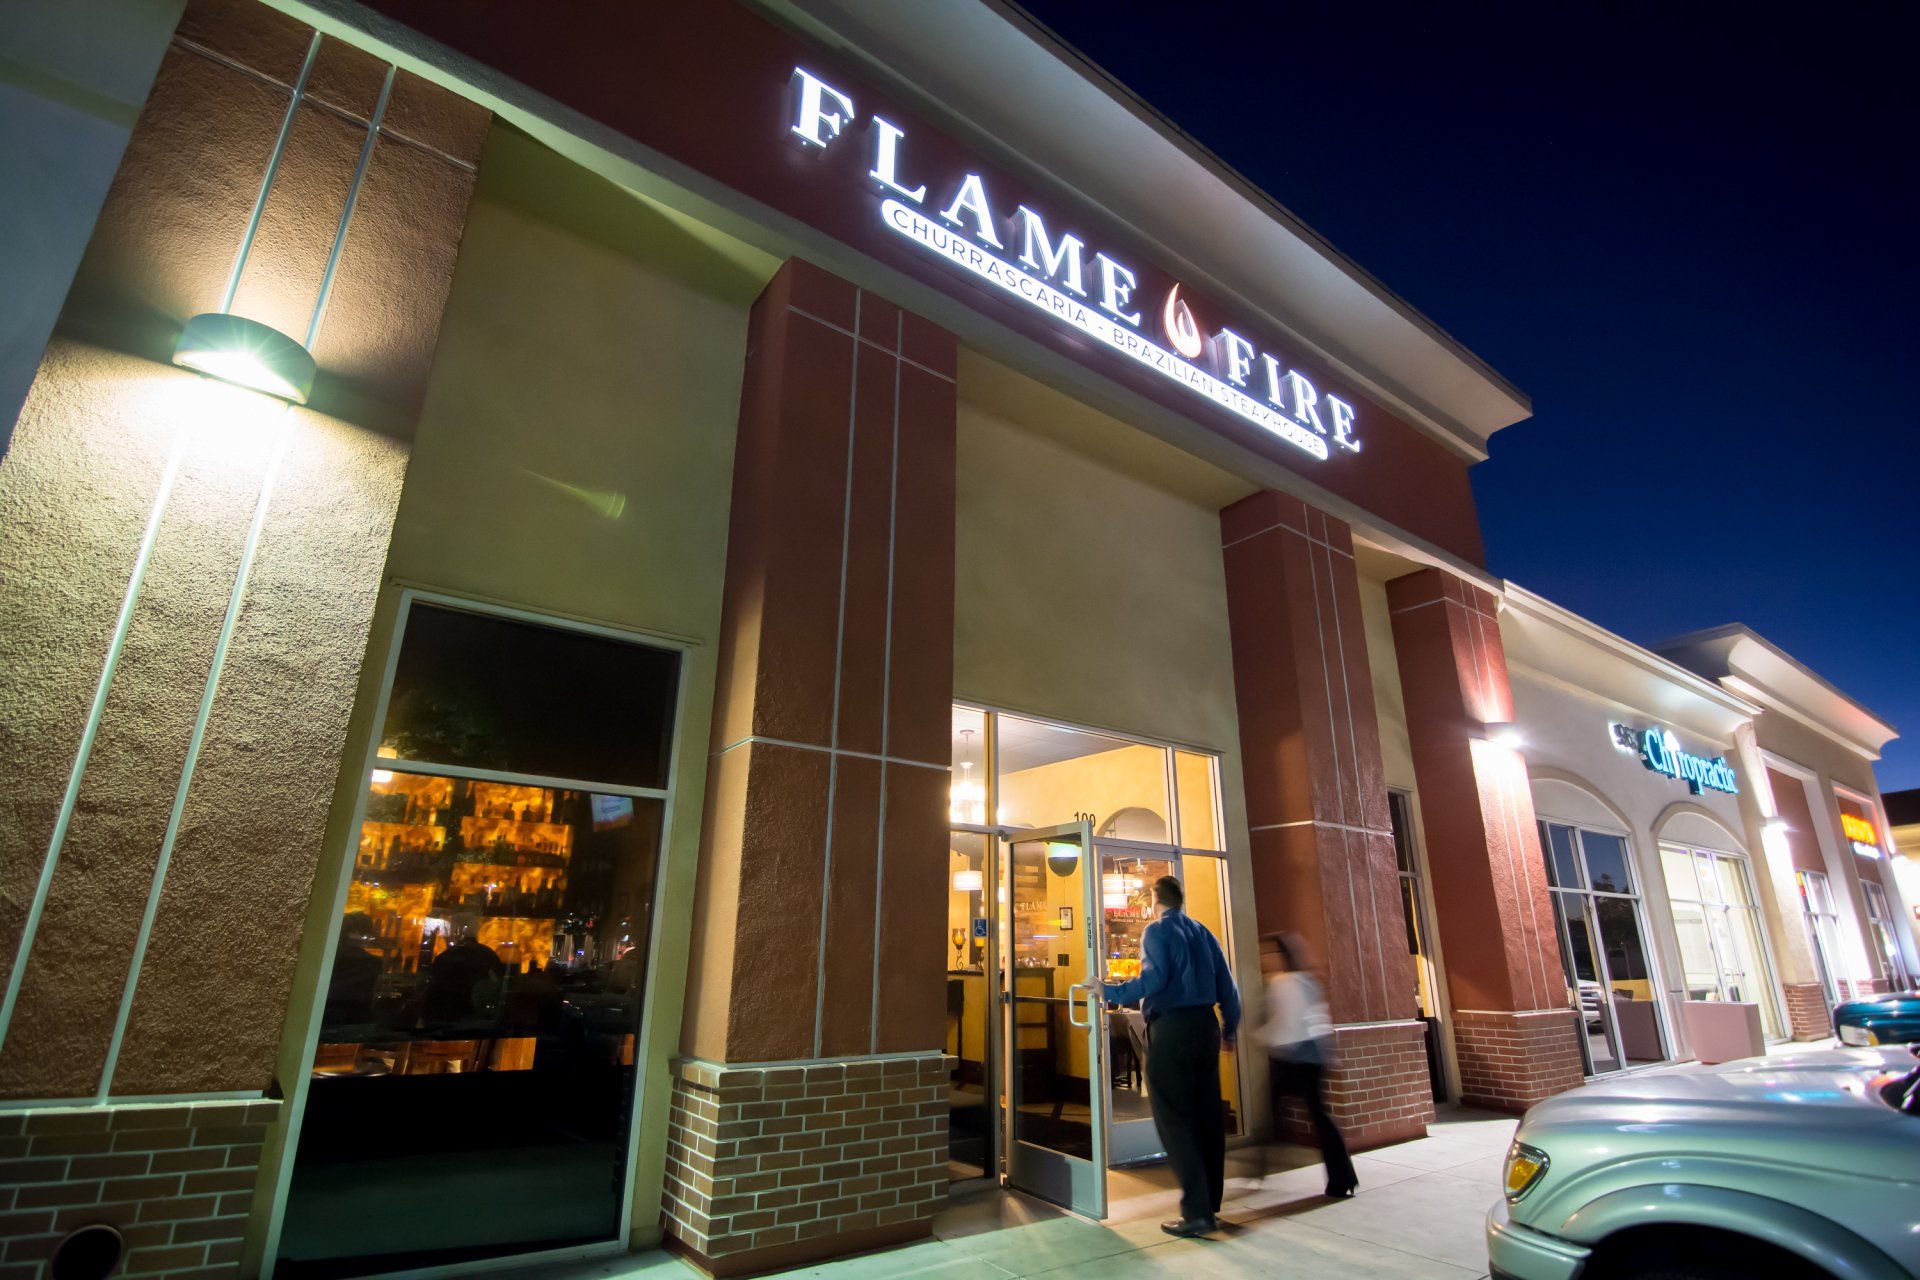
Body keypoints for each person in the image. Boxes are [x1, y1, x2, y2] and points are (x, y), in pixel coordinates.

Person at [1103, 874, 1240, 1238]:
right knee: (1208, 1117)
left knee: (1174, 1119)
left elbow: (1154, 979)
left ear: (1155, 899)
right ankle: (1210, 1201)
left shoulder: (1156, 931)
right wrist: (1229, 1031)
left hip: (1172, 1030)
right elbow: (1229, 988)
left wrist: (1109, 991)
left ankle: (1196, 1213)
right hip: (1205, 1028)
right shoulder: (1204, 933)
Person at [1259, 931, 1357, 1198]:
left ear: (1280, 957)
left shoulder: (1282, 983)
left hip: (1295, 1058)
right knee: (1319, 1117)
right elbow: (1316, 1017)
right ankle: (1342, 1177)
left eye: (1267, 954)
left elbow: (1288, 1024)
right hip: (1314, 1056)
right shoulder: (1307, 980)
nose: (1264, 960)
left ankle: (1258, 1170)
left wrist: (1259, 1037)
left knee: (1274, 1110)